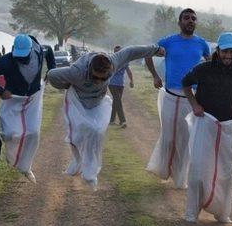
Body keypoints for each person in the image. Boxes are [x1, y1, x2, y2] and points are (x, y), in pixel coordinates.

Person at [47, 44, 165, 188]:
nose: (99, 82)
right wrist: (65, 86)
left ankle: (89, 171)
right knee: (77, 135)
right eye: (96, 78)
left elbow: (131, 52)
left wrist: (155, 49)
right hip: (77, 100)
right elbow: (52, 75)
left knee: (96, 131)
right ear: (90, 71)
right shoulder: (76, 71)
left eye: (104, 79)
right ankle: (76, 161)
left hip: (97, 101)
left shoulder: (113, 61)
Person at [181, 32, 232, 223]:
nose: (229, 55)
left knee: (225, 171)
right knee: (199, 168)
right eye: (225, 51)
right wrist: (194, 105)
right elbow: (186, 83)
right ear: (218, 50)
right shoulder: (204, 68)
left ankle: (222, 212)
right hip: (205, 121)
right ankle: (192, 212)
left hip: (227, 123)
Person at [144, 8, 211, 189]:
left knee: (186, 139)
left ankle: (180, 178)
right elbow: (148, 54)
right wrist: (155, 76)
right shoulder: (168, 41)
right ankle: (165, 170)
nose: (190, 21)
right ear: (180, 22)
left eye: (193, 19)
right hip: (171, 95)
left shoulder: (202, 44)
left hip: (192, 98)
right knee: (169, 138)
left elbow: (211, 63)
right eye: (186, 18)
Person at [0, 34, 56, 183]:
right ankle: (12, 158)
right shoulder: (7, 61)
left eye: (24, 55)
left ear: (31, 49)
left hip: (34, 96)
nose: (21, 58)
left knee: (33, 133)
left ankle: (26, 167)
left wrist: (51, 70)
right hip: (13, 98)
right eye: (18, 55)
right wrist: (1, 91)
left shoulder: (41, 50)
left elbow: (50, 52)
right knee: (10, 134)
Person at [108, 46, 134, 128]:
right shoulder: (110, 60)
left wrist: (131, 81)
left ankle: (111, 120)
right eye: (116, 51)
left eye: (119, 51)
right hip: (112, 84)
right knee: (118, 101)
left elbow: (129, 71)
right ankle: (123, 121)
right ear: (114, 52)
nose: (118, 53)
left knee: (116, 102)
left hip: (120, 84)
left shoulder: (125, 61)